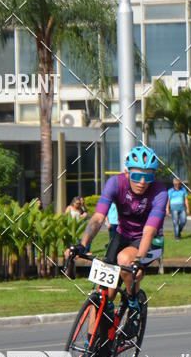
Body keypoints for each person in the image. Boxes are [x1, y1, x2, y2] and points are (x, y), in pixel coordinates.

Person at [65, 144, 167, 343]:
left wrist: (138, 260)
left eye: (148, 177)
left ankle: (134, 305)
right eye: (137, 176)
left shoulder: (159, 192)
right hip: (122, 236)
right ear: (127, 172)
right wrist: (82, 244)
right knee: (103, 293)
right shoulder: (115, 183)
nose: (143, 182)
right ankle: (91, 345)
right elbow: (98, 218)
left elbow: (149, 231)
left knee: (125, 259)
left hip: (149, 240)